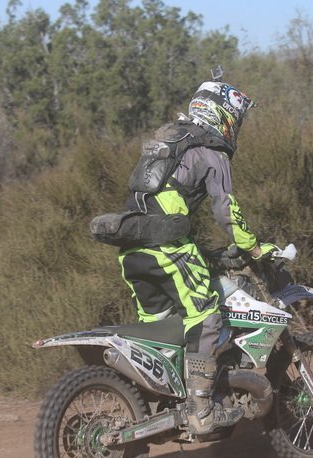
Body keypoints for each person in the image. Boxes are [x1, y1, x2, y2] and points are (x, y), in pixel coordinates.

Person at [118, 79, 274, 435]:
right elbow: (226, 211)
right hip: (167, 248)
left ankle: (159, 405)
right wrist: (253, 248)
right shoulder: (211, 152)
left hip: (132, 250)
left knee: (163, 330)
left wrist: (204, 251)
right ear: (224, 117)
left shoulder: (167, 144)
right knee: (206, 316)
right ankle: (200, 410)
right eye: (236, 119)